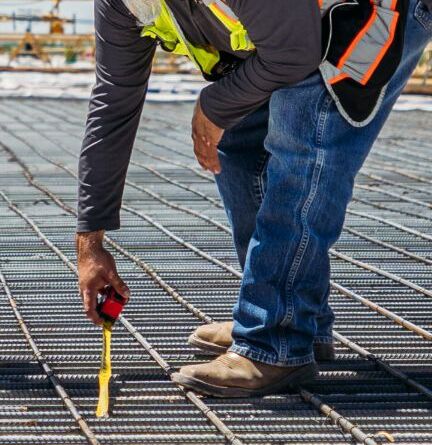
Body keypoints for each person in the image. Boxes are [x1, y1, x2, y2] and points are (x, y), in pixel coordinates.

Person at [76, 0, 432, 397]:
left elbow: (294, 54)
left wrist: (214, 104)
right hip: (298, 28)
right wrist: (91, 243)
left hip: (369, 14)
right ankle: (294, 318)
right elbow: (113, 101)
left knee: (304, 144)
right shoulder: (118, 4)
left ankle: (274, 341)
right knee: (240, 138)